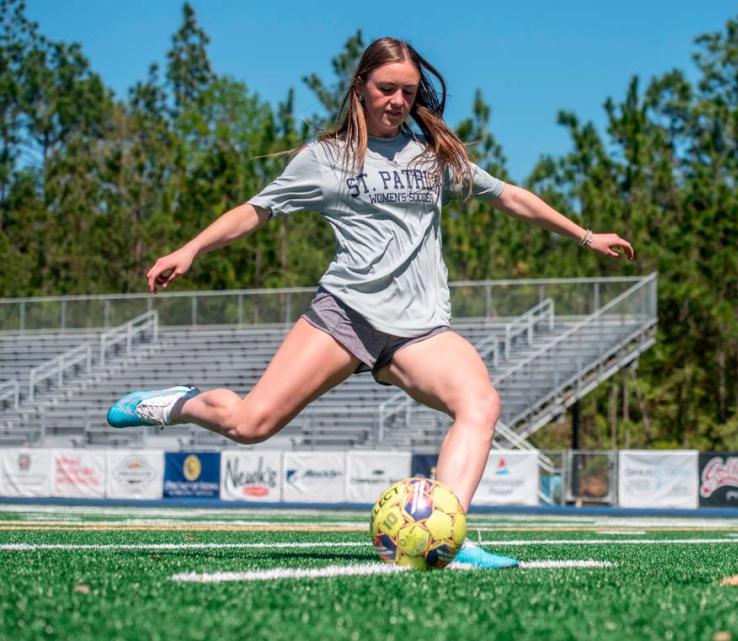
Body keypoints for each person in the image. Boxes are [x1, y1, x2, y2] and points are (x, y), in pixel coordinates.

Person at [107, 37, 634, 568]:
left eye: (408, 92)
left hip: (420, 331)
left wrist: (585, 235)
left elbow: (508, 196)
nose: (398, 101)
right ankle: (179, 402)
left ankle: (450, 533)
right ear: (360, 86)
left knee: (480, 404)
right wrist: (191, 247)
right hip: (347, 315)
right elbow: (256, 210)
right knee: (250, 425)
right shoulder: (327, 160)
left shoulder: (434, 157)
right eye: (386, 89)